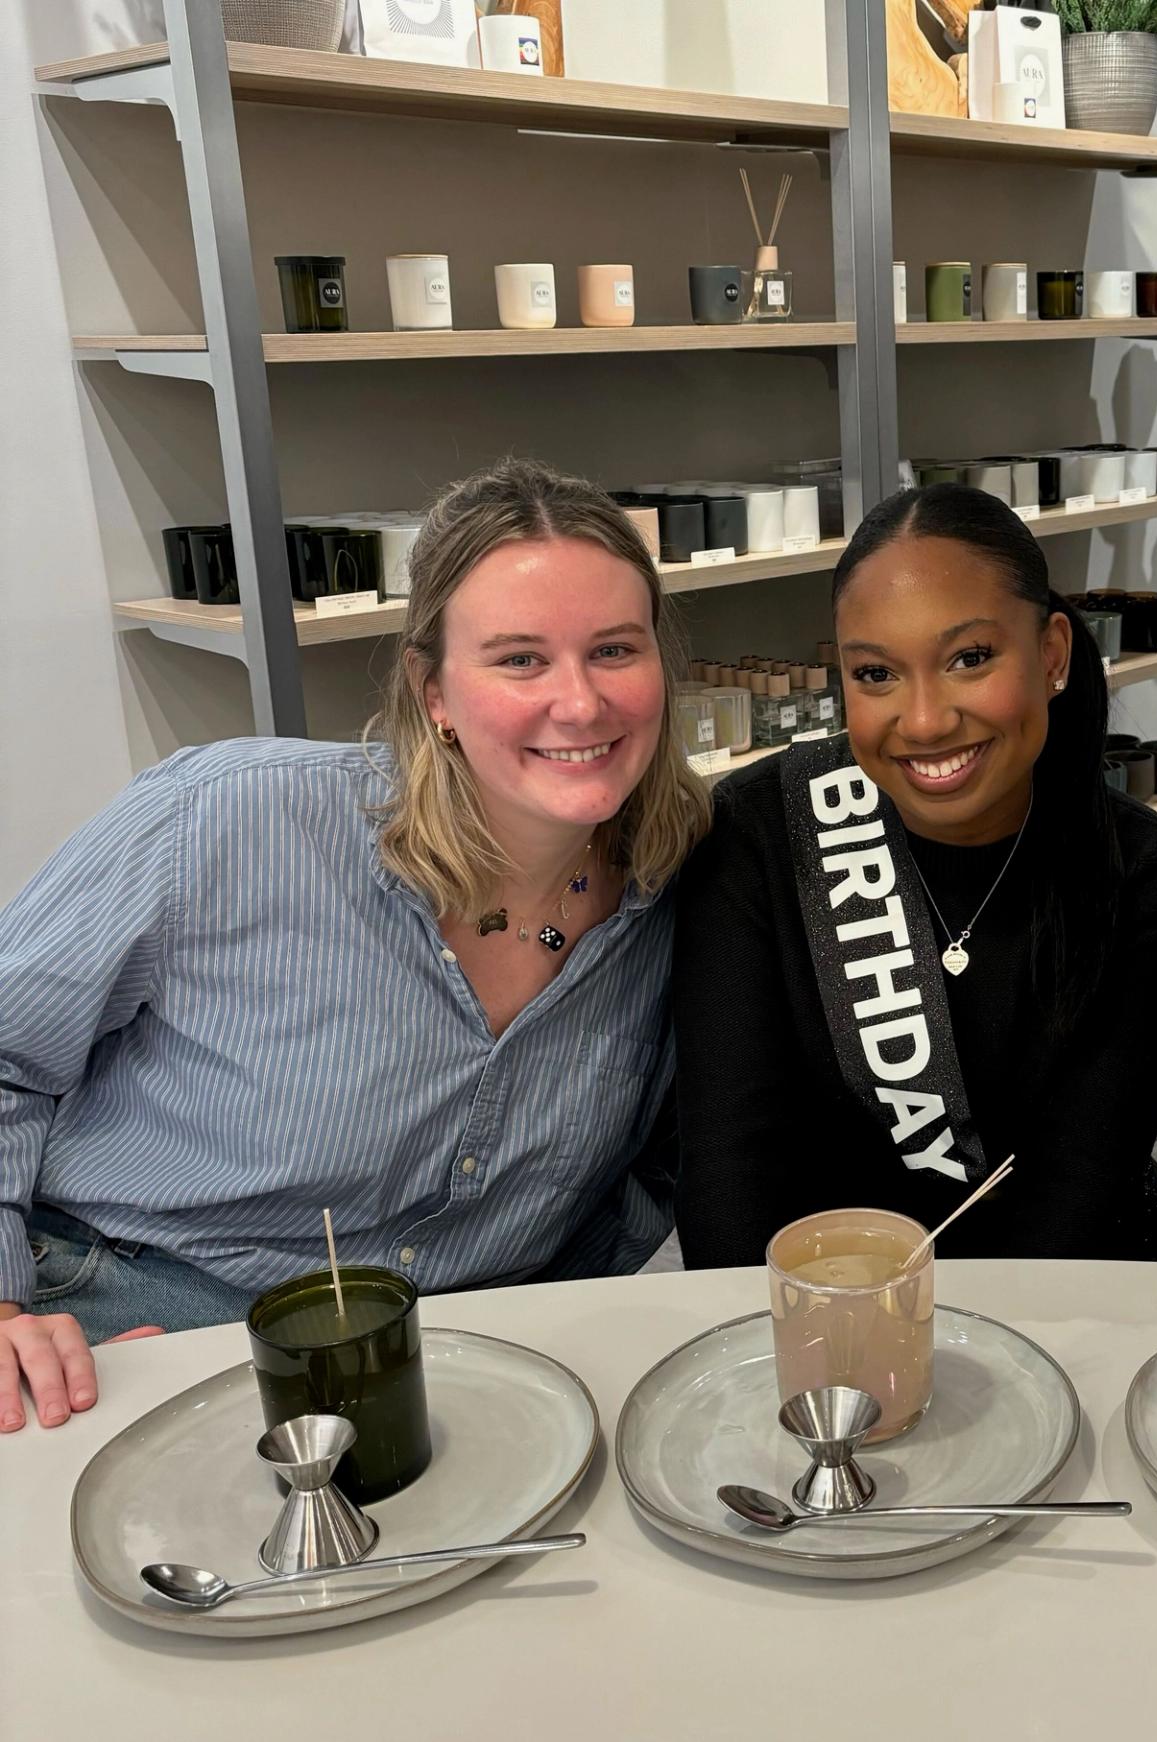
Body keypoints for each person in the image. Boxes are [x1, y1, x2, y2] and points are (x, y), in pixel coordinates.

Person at [0, 457, 710, 1432]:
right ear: (433, 690)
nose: (581, 703)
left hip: (447, 1377)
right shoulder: (221, 820)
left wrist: (544, 1342)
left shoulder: (682, 894)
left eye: (615, 650)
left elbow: (642, 1184)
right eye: (519, 659)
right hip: (130, 1335)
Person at [673, 484, 1157, 1263]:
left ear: (1052, 654)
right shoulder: (759, 836)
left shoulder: (1145, 873)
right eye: (875, 674)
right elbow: (729, 1182)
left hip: (1074, 1295)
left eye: (970, 659)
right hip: (830, 1297)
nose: (924, 721)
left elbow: (1080, 1195)